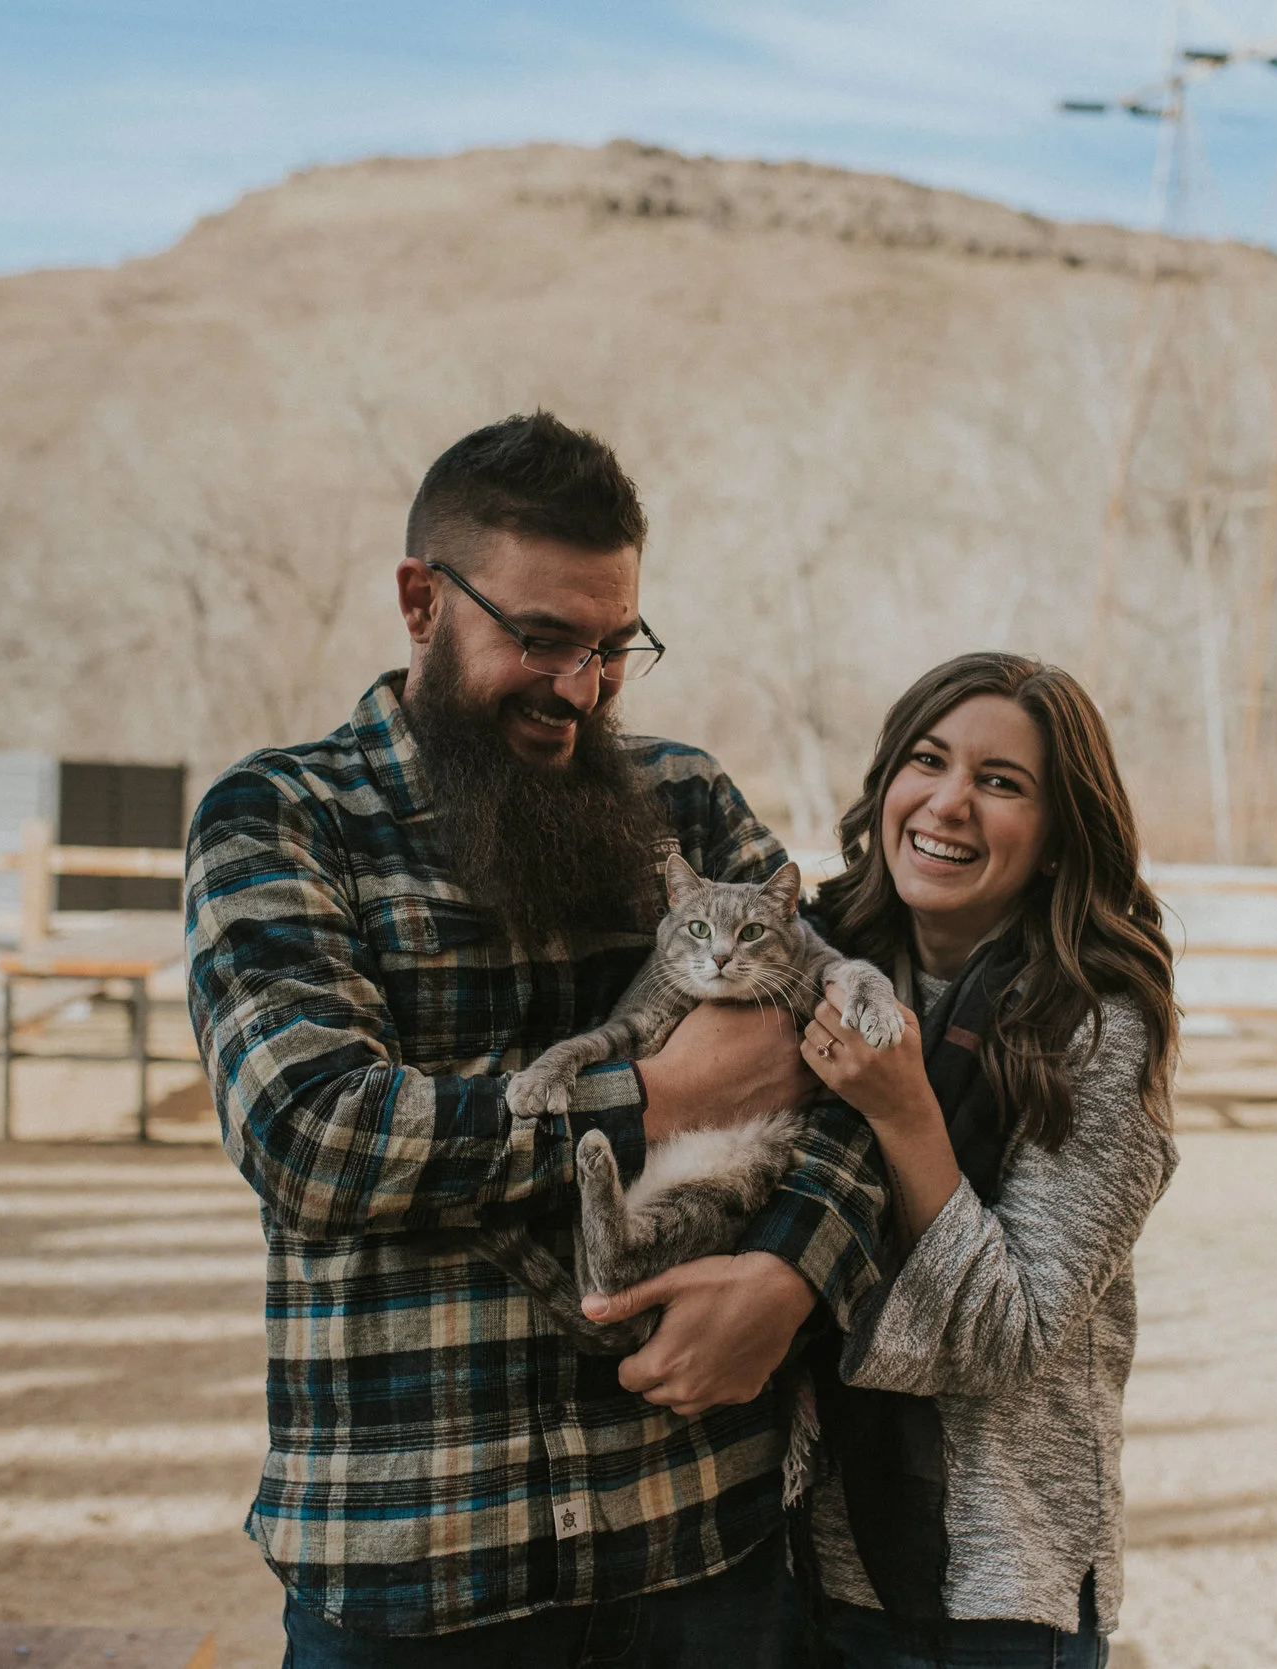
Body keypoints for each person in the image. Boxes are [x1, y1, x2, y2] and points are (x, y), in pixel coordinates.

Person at [185, 411, 888, 1668]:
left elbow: (861, 1070)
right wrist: (656, 1097)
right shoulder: (279, 817)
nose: (583, 687)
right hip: (413, 1561)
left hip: (703, 1544)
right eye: (544, 639)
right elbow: (316, 1134)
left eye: (617, 647)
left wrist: (793, 1274)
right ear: (420, 599)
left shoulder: (685, 801)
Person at [589, 652, 1178, 1668]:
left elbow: (1008, 1331)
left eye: (1001, 783)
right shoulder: (805, 957)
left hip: (990, 1583)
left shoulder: (1094, 1024)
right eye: (928, 760)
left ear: (1053, 837)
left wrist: (906, 1112)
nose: (948, 803)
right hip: (796, 1555)